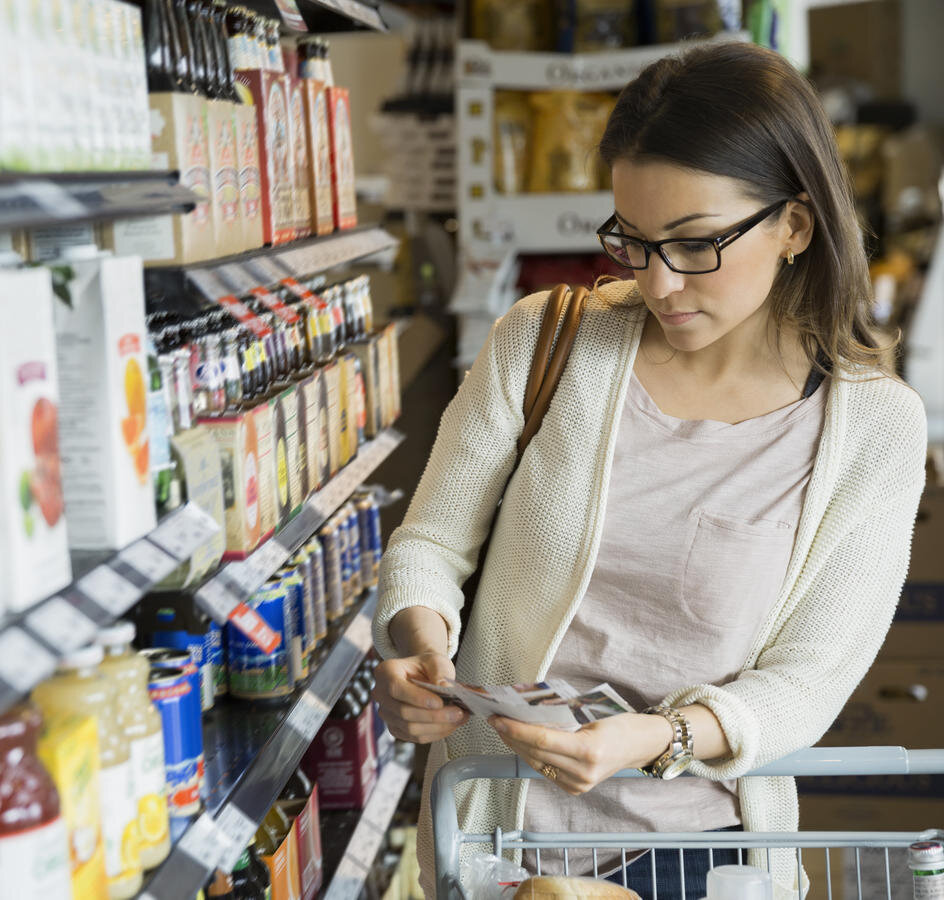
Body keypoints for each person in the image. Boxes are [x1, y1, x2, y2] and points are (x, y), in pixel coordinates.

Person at [372, 40, 926, 900]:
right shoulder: (544, 341)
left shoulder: (871, 430)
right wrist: (420, 644)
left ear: (796, 224)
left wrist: (655, 740)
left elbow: (809, 678)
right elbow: (432, 543)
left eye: (695, 243)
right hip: (492, 835)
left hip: (699, 858)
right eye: (633, 240)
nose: (660, 281)